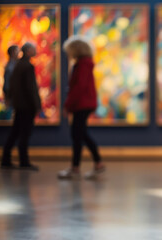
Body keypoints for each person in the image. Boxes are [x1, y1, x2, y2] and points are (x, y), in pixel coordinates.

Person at [58, 36, 104, 180]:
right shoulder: (85, 63)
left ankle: (78, 167)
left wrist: (68, 105)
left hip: (82, 104)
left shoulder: (82, 64)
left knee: (78, 135)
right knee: (80, 134)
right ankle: (94, 164)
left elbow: (79, 87)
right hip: (84, 104)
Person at [0, 43, 41, 171]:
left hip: (19, 105)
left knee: (15, 132)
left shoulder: (17, 65)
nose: (35, 51)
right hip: (27, 106)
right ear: (28, 51)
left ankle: (6, 159)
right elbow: (31, 88)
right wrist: (37, 104)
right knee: (24, 133)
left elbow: (11, 85)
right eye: (33, 49)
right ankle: (24, 161)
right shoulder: (27, 66)